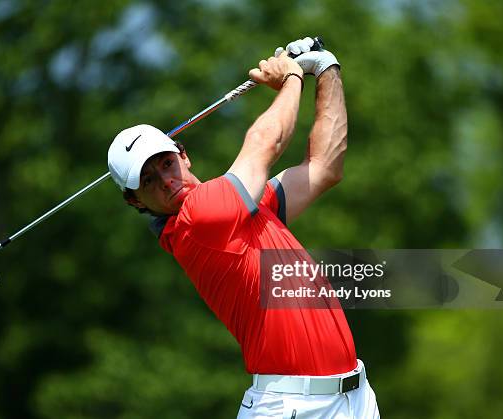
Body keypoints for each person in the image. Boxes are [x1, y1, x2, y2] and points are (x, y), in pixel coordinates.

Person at [107, 36, 380, 418]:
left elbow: (324, 168)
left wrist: (326, 68)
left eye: (166, 163)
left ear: (183, 155)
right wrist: (291, 78)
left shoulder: (241, 209)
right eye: (149, 181)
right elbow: (266, 142)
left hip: (354, 396)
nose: (166, 181)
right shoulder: (198, 219)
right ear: (136, 201)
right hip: (292, 407)